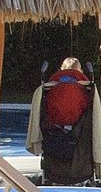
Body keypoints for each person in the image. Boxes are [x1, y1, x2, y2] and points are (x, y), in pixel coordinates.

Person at [36, 55, 95, 184]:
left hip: (54, 124)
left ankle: (50, 173)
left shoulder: (51, 86)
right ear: (80, 71)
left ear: (61, 69)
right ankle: (85, 174)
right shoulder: (85, 87)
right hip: (79, 124)